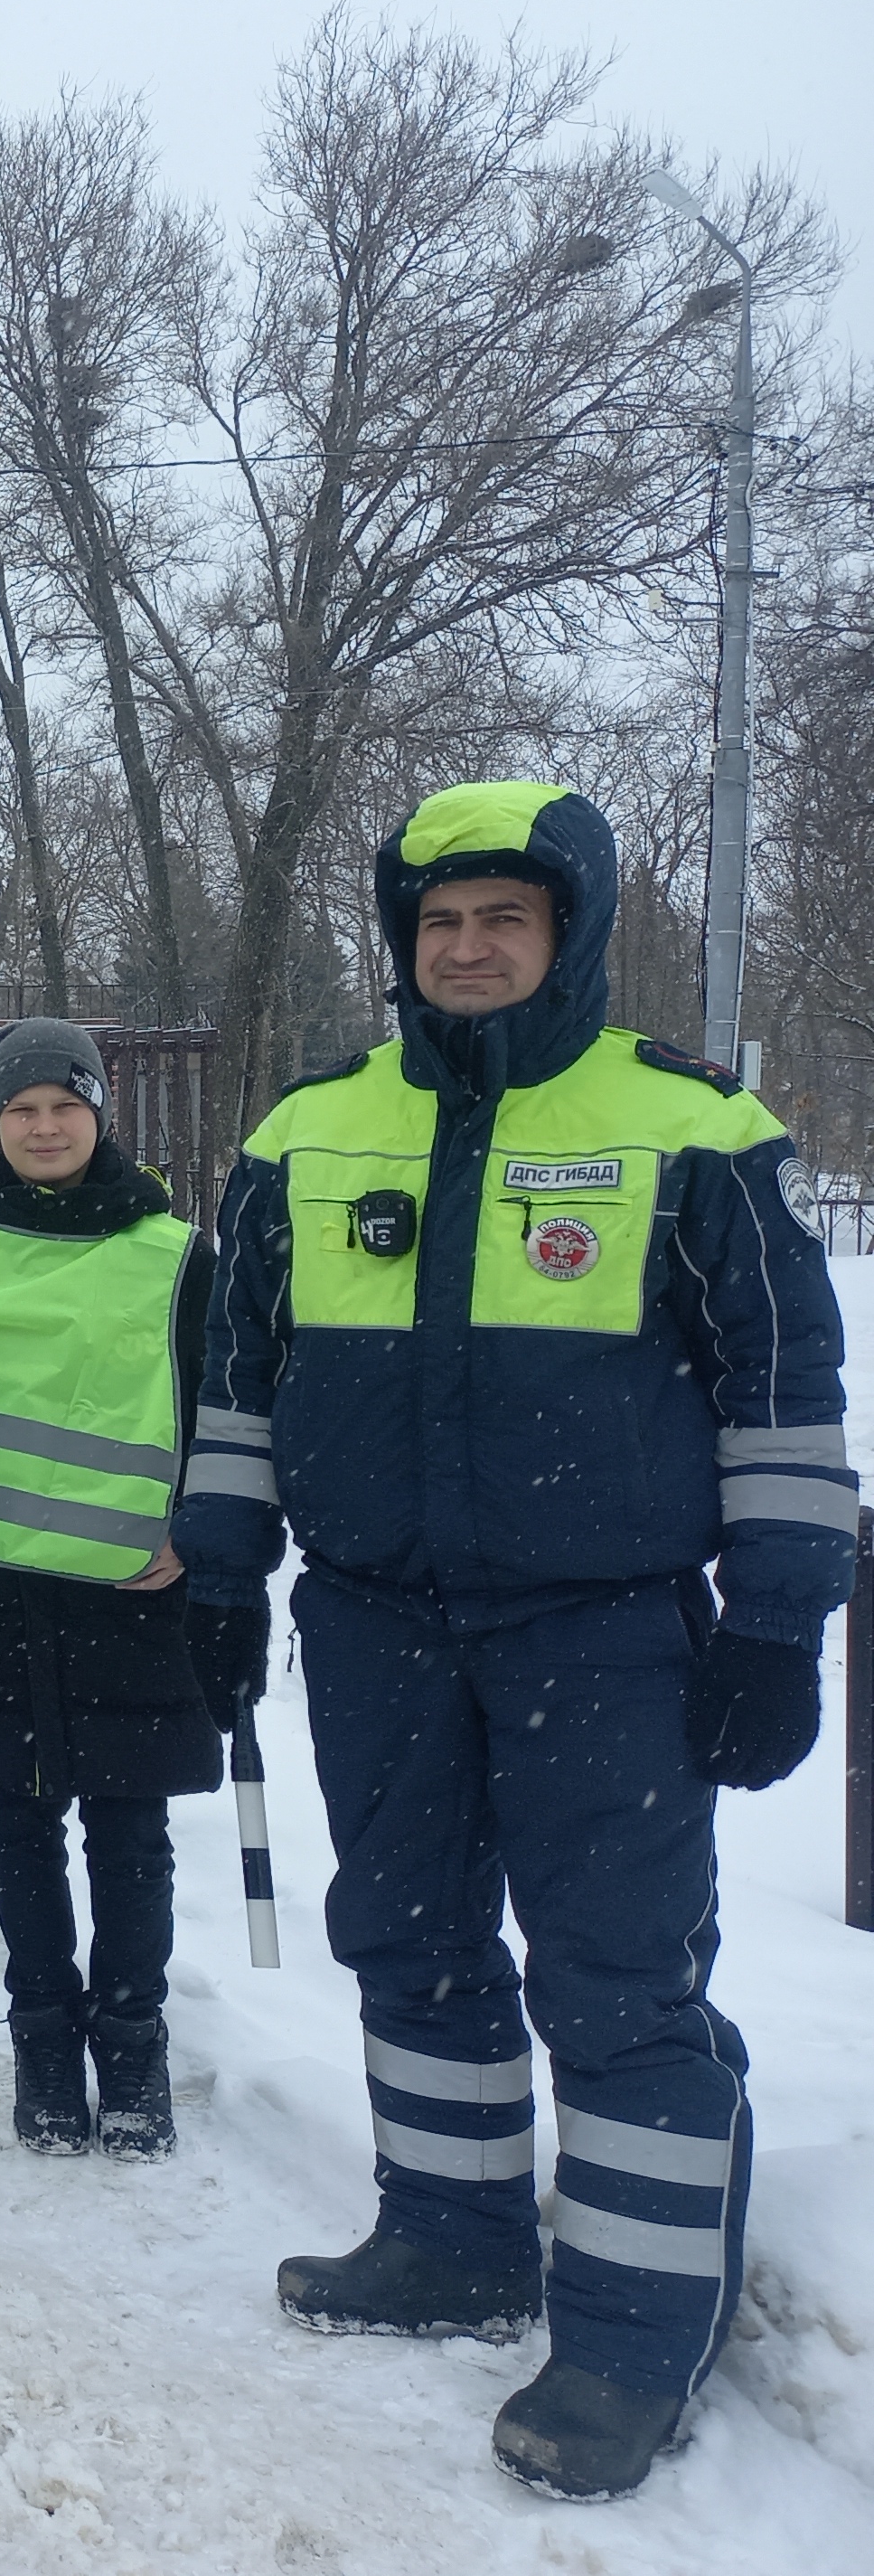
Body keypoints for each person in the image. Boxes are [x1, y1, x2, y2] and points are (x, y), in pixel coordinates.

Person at [172, 779, 853, 2502]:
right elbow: (240, 1384)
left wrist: (777, 1622)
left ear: (573, 936)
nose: (467, 950)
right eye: (439, 922)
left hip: (603, 1629)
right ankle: (455, 2234)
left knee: (617, 1980)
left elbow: (783, 1395)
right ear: (404, 945)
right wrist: (220, 1575)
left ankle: (632, 2335)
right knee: (406, 1937)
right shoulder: (307, 1137)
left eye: (505, 921)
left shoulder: (687, 1131)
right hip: (377, 1617)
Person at [0, 1021, 219, 2163]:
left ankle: (132, 2041)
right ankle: (42, 2044)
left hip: (132, 1594)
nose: (44, 1127)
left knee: (130, 1833)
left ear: (100, 1113)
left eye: (64, 1105)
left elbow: (231, 1411)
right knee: (18, 1825)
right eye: (21, 1110)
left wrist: (203, 1537)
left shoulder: (176, 1254)